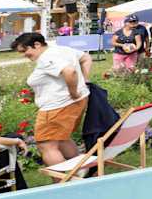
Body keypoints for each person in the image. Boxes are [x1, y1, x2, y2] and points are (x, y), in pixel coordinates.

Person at [12, 33, 92, 173]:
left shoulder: (46, 57)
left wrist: (73, 91)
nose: (24, 55)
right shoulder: (62, 49)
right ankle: (81, 171)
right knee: (62, 138)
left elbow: (70, 71)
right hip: (75, 102)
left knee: (46, 145)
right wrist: (84, 81)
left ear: (37, 45)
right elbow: (85, 58)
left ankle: (61, 183)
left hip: (57, 107)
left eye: (25, 51)